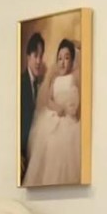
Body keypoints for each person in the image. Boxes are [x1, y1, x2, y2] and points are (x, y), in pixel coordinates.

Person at [23, 38, 81, 188]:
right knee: (47, 142)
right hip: (54, 116)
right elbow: (49, 100)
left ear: (72, 61)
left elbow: (75, 101)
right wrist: (57, 108)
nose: (63, 62)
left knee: (65, 146)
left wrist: (68, 108)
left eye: (67, 58)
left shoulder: (73, 78)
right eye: (60, 58)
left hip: (68, 120)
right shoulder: (54, 80)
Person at [20, 31, 45, 180]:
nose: (38, 61)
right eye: (35, 55)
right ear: (28, 57)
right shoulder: (21, 84)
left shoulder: (39, 84)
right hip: (22, 156)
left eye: (41, 56)